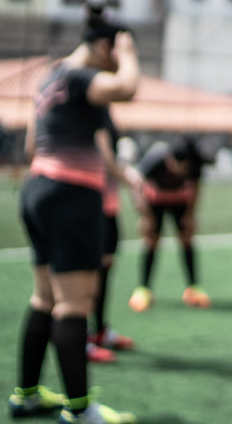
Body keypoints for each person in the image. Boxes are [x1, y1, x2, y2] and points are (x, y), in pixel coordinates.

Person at [12, 5, 141, 423]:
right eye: (115, 49)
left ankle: (26, 395)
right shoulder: (80, 76)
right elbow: (127, 88)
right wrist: (129, 53)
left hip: (37, 188)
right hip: (71, 194)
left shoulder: (50, 79)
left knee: (44, 298)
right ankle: (81, 411)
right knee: (73, 305)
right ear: (105, 46)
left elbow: (32, 147)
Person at [128, 135, 212, 311]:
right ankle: (143, 289)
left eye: (184, 167)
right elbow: (137, 184)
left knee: (187, 238)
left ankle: (193, 288)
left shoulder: (193, 162)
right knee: (151, 240)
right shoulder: (156, 158)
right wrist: (145, 216)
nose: (180, 171)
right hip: (154, 201)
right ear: (169, 159)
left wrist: (190, 215)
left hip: (179, 200)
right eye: (177, 166)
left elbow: (196, 187)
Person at [86, 120, 142, 363]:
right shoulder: (88, 116)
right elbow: (107, 162)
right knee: (86, 277)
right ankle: (83, 338)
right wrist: (131, 179)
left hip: (108, 209)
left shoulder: (104, 116)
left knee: (105, 271)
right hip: (90, 207)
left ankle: (99, 331)